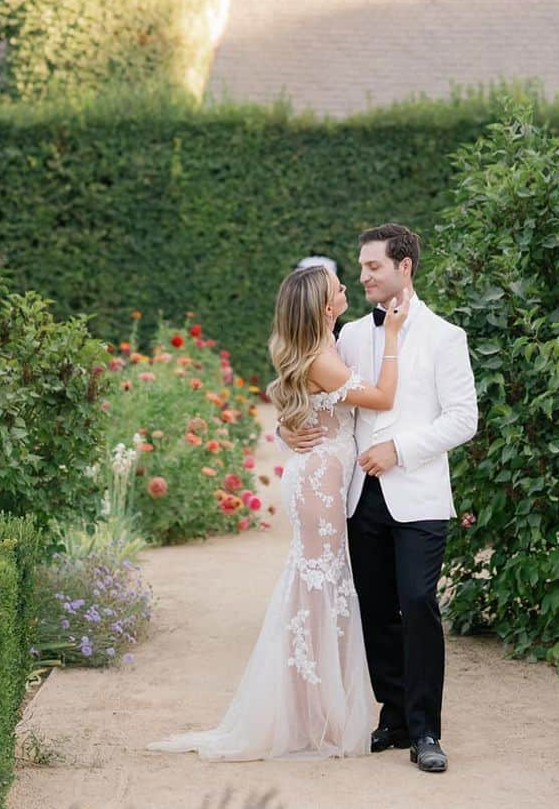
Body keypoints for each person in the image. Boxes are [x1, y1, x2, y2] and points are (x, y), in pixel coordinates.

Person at [147, 263, 410, 760]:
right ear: (323, 305)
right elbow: (382, 396)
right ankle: (308, 714)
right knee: (318, 589)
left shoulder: (325, 349)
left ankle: (310, 709)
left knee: (319, 590)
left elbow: (286, 395)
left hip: (319, 477)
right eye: (338, 288)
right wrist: (392, 335)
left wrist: (287, 428)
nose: (346, 289)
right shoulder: (321, 358)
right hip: (317, 484)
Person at [280, 223, 479, 774]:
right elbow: (318, 396)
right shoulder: (348, 336)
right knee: (374, 611)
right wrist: (285, 429)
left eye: (372, 267)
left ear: (404, 266)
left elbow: (464, 419)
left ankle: (426, 731)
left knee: (417, 603)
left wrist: (401, 449)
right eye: (361, 268)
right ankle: (392, 718)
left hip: (416, 496)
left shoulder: (445, 337)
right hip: (356, 498)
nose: (362, 276)